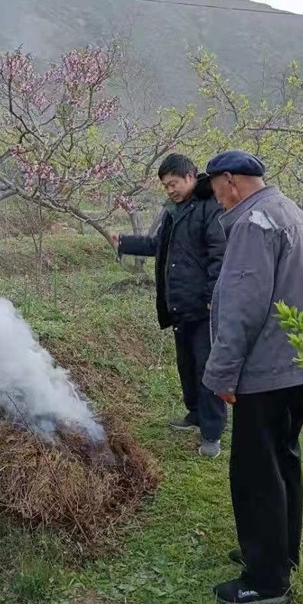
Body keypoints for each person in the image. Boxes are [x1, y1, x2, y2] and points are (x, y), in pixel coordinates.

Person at [202, 150, 303, 604]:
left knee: (256, 472)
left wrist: (222, 372)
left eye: (215, 189)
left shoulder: (253, 223)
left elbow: (243, 307)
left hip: (267, 366)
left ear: (230, 180)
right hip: (297, 360)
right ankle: (279, 551)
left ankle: (266, 579)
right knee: (282, 460)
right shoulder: (290, 212)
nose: (217, 199)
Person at [111, 153, 227, 457]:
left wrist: (212, 298)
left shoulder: (210, 207)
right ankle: (195, 414)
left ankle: (212, 433)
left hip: (203, 308)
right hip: (179, 304)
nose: (170, 190)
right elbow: (158, 245)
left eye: (173, 183)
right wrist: (124, 242)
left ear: (190, 177)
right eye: (165, 186)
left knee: (207, 368)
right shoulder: (174, 211)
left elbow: (219, 255)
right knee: (187, 365)